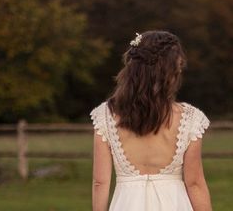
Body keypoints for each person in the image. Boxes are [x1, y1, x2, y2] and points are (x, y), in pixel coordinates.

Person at [90, 30, 212, 211]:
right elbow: (194, 183)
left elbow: (100, 182)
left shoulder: (106, 116)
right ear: (170, 73)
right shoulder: (190, 119)